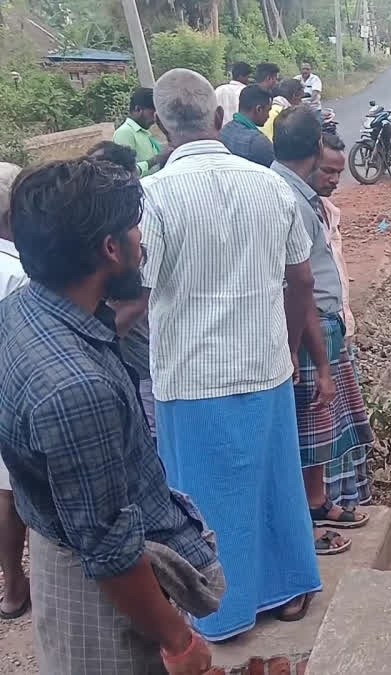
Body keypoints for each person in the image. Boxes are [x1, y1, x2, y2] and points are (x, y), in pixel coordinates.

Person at [0, 157, 225, 675]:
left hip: (62, 554)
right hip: (101, 593)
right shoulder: (77, 389)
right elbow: (110, 549)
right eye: (134, 231)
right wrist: (179, 642)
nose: (141, 243)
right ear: (109, 248)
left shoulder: (24, 310)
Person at [140, 68, 327, 638]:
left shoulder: (151, 196)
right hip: (266, 362)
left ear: (163, 127)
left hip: (191, 376)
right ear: (220, 120)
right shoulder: (270, 186)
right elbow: (301, 281)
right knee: (274, 480)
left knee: (202, 497)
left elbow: (140, 291)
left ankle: (220, 609)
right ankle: (290, 589)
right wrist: (294, 349)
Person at [272, 110, 371, 550]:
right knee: (308, 424)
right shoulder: (287, 197)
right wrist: (305, 352)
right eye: (328, 168)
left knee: (319, 425)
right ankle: (303, 522)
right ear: (314, 151)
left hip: (321, 323)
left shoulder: (302, 197)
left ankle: (316, 501)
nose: (333, 177)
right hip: (308, 326)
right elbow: (301, 285)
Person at [310, 132, 371, 507]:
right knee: (323, 427)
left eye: (338, 173)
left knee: (342, 426)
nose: (334, 180)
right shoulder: (297, 211)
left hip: (339, 328)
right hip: (317, 334)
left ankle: (347, 499)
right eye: (327, 171)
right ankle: (325, 503)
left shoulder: (328, 212)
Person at [86, 142, 158, 446]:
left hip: (144, 360)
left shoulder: (139, 226)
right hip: (124, 355)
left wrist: (89, 344)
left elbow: (137, 303)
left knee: (151, 438)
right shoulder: (105, 223)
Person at [0, 163, 29, 623]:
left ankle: (12, 587)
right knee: (15, 492)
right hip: (13, 388)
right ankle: (17, 586)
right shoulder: (18, 271)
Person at [112, 88, 171, 177]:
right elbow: (124, 172)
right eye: (152, 114)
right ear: (138, 109)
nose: (154, 119)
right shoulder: (124, 132)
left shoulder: (143, 132)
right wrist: (155, 160)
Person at [220, 85, 275, 167]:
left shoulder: (224, 131)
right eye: (268, 110)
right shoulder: (257, 141)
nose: (268, 116)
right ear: (259, 109)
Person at [214, 62, 252, 127]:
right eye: (248, 77)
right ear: (241, 76)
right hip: (240, 132)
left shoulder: (219, 90)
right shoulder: (247, 92)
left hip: (219, 133)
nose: (248, 80)